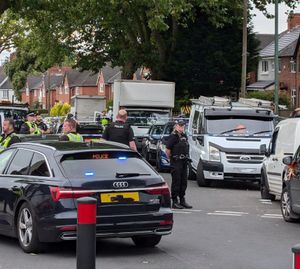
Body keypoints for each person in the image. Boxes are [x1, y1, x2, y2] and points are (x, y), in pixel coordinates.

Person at [166, 120, 192, 209]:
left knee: (183, 182)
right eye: (180, 126)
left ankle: (182, 200)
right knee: (176, 182)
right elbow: (168, 150)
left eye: (182, 126)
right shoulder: (173, 137)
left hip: (184, 162)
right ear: (176, 126)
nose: (181, 128)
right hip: (176, 162)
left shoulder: (184, 136)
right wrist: (172, 159)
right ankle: (175, 201)